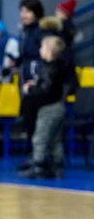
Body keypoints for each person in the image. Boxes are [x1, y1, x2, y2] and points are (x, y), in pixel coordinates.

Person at [19, 36, 69, 179]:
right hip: (59, 106)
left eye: (42, 47)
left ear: (49, 51)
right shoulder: (62, 66)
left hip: (48, 109)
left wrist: (30, 89)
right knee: (55, 139)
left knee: (40, 137)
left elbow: (45, 89)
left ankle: (38, 165)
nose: (39, 50)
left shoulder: (47, 68)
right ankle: (58, 165)